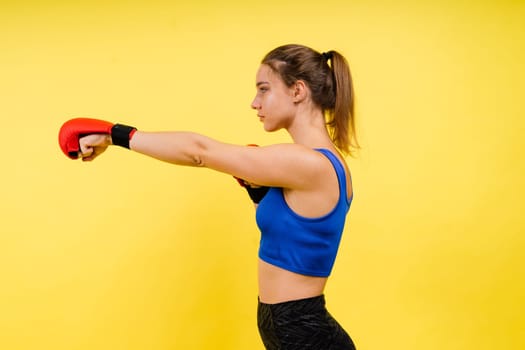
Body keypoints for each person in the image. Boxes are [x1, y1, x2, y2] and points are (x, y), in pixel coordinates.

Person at [59, 44, 359, 349]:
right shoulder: (312, 165)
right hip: (295, 330)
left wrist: (114, 134)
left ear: (297, 90)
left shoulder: (308, 163)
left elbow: (199, 152)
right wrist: (258, 193)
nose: (255, 103)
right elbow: (295, 236)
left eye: (264, 89)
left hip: (304, 335)